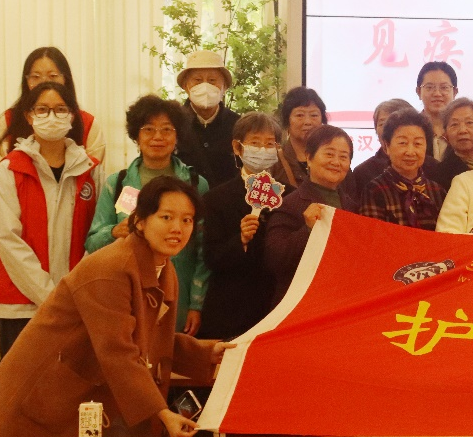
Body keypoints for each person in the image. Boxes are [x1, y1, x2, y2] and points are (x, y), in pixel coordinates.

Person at [0, 176, 234, 437]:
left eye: (187, 220)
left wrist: (207, 353)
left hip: (81, 386)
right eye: (166, 217)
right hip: (47, 384)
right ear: (140, 221)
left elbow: (152, 339)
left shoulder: (163, 267)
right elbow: (118, 350)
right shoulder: (111, 267)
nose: (177, 228)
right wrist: (162, 412)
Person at [0, 82, 100, 357]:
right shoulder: (10, 169)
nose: (52, 116)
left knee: (70, 379)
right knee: (21, 380)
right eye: (42, 109)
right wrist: (49, 294)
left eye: (60, 109)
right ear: (29, 116)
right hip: (20, 304)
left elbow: (97, 235)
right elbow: (7, 240)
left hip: (75, 301)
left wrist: (71, 292)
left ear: (72, 116)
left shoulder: (90, 170)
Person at [86, 95, 210, 335]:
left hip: (178, 293)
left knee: (172, 351)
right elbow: (92, 243)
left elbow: (203, 249)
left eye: (167, 130)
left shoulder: (196, 184)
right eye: (148, 129)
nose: (157, 137)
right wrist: (115, 232)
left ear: (178, 136)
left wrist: (196, 304)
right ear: (136, 136)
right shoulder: (118, 183)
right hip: (125, 290)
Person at [200, 112, 284, 342]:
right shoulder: (216, 198)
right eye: (255, 143)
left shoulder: (288, 196)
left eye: (270, 144)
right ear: (237, 147)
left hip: (274, 307)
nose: (263, 150)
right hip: (231, 310)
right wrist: (241, 241)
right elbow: (211, 257)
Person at [264, 125, 358, 306]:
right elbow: (275, 259)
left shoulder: (352, 207)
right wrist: (307, 230)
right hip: (301, 303)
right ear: (309, 157)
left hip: (342, 300)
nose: (336, 162)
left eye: (343, 157)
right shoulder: (289, 204)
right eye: (329, 154)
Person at [0, 46, 106, 164]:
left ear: (65, 79)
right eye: (35, 77)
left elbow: (94, 172)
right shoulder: (7, 122)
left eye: (53, 76)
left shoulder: (88, 124)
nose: (44, 82)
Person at [359, 109, 447, 229]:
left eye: (417, 144)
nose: (410, 152)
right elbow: (373, 236)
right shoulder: (374, 190)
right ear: (386, 147)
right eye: (403, 143)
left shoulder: (437, 191)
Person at [173, 49, 241, 189]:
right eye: (197, 80)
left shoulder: (238, 125)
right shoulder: (173, 123)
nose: (205, 86)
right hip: (182, 199)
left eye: (212, 80)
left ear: (224, 87)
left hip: (226, 201)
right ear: (186, 86)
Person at [347, 98, 416, 195]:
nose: (387, 130)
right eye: (382, 124)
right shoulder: (363, 172)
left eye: (395, 123)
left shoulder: (430, 166)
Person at [427, 97, 473, 190]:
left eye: (469, 123)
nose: (462, 130)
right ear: (445, 133)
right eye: (454, 124)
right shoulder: (440, 175)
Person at [277, 87, 328, 188]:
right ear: (287, 120)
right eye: (300, 115)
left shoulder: (333, 160)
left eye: (314, 115)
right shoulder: (275, 162)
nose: (307, 122)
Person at [417, 62, 457, 161]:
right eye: (429, 87)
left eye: (444, 87)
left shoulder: (462, 130)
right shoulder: (409, 127)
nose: (437, 94)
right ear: (418, 92)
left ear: (455, 92)